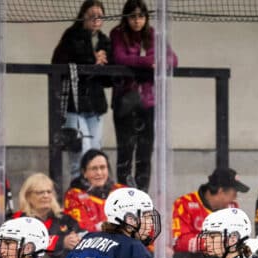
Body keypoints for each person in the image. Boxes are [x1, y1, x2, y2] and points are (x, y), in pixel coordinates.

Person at [109, 0, 177, 191]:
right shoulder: (117, 34)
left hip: (149, 103)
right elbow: (121, 57)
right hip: (126, 101)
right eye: (133, 16)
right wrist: (148, 62)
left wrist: (158, 61)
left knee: (145, 153)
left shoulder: (153, 35)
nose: (137, 21)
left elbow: (172, 58)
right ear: (126, 17)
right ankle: (123, 193)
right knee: (125, 151)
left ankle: (142, 194)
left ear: (146, 18)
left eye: (141, 16)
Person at [52, 1, 111, 181]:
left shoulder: (104, 41)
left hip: (95, 107)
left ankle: (94, 196)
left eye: (99, 16)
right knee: (80, 155)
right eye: (91, 15)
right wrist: (91, 59)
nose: (95, 19)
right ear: (83, 16)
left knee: (95, 152)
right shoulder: (71, 36)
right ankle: (77, 194)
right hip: (74, 106)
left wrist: (104, 62)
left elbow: (110, 76)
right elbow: (60, 61)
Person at [171, 167, 249, 258]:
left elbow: (240, 237)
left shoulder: (232, 207)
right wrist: (216, 242)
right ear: (221, 191)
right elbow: (178, 242)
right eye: (234, 193)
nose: (235, 198)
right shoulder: (184, 204)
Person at [13, 172, 82, 258]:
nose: (46, 196)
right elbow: (28, 245)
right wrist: (62, 242)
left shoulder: (63, 218)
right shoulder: (19, 220)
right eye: (40, 192)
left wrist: (76, 238)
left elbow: (81, 233)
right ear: (28, 196)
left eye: (49, 192)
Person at [63, 149, 125, 233]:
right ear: (84, 172)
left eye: (102, 167)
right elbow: (83, 227)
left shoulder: (121, 191)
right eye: (94, 169)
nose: (99, 173)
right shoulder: (74, 195)